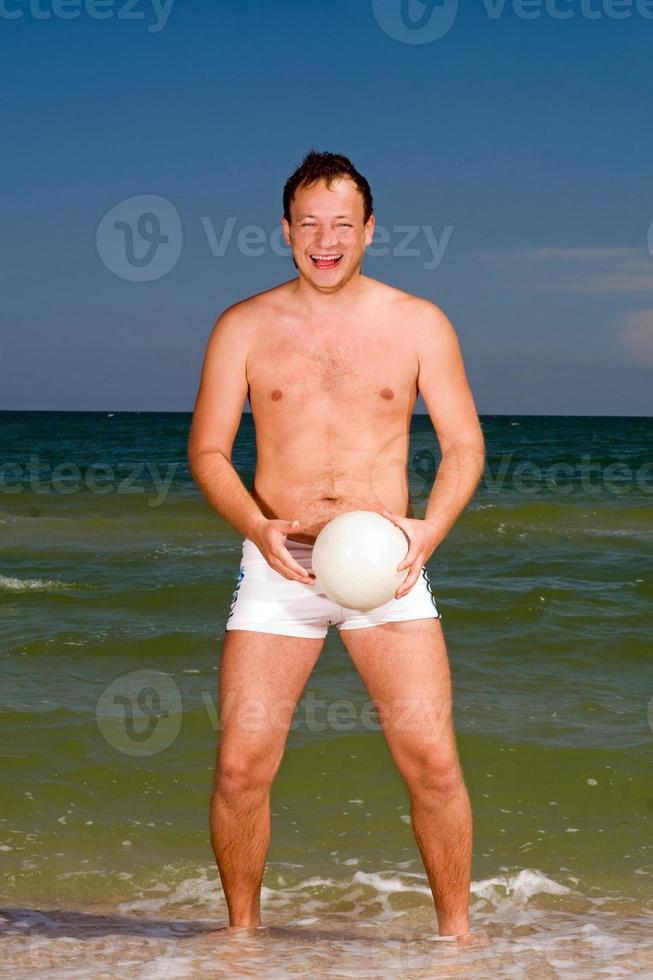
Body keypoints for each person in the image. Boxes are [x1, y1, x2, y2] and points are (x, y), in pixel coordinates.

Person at [188, 150, 485, 941]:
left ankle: (456, 939)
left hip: (385, 568)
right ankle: (241, 940)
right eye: (309, 225)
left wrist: (429, 530)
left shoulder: (418, 322)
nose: (326, 240)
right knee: (240, 769)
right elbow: (208, 452)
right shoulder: (242, 327)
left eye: (342, 225)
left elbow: (463, 446)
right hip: (279, 564)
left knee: (431, 763)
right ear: (285, 231)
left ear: (370, 231)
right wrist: (257, 527)